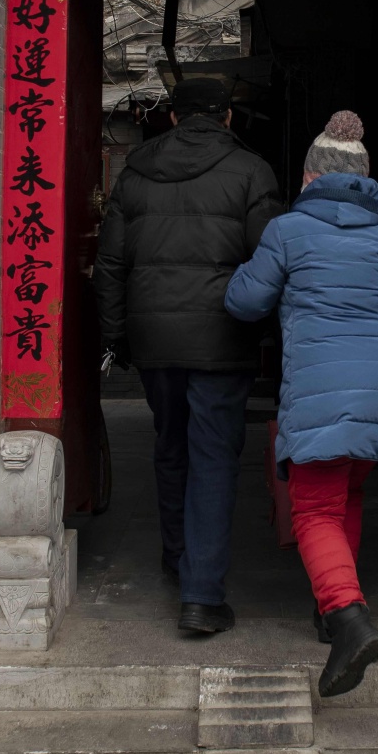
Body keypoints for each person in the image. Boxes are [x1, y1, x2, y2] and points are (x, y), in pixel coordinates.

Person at [224, 111, 378, 697]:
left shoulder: (289, 231)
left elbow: (245, 301)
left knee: (313, 508)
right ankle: (330, 610)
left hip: (319, 387)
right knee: (347, 494)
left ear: (310, 177)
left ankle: (347, 619)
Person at [94, 76, 282, 636]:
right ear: (228, 118)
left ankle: (178, 560)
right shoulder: (252, 172)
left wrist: (117, 337)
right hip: (223, 340)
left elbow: (110, 268)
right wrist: (271, 339)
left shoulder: (134, 173)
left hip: (155, 341)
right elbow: (270, 264)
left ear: (172, 118)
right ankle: (201, 594)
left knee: (170, 448)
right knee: (214, 459)